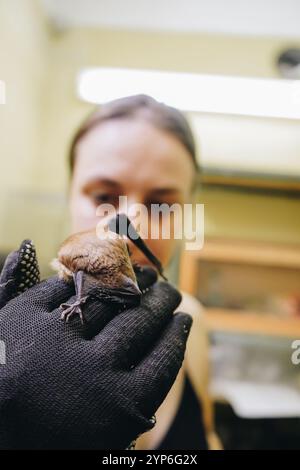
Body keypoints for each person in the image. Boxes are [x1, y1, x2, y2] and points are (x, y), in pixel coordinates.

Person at [68, 94, 221, 450]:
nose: (130, 228)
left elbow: (207, 436)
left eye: (163, 205)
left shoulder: (188, 320)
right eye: (104, 196)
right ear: (68, 195)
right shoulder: (11, 335)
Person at [0, 240, 192, 449]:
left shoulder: (191, 318)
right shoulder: (31, 306)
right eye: (103, 204)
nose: (130, 229)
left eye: (156, 206)